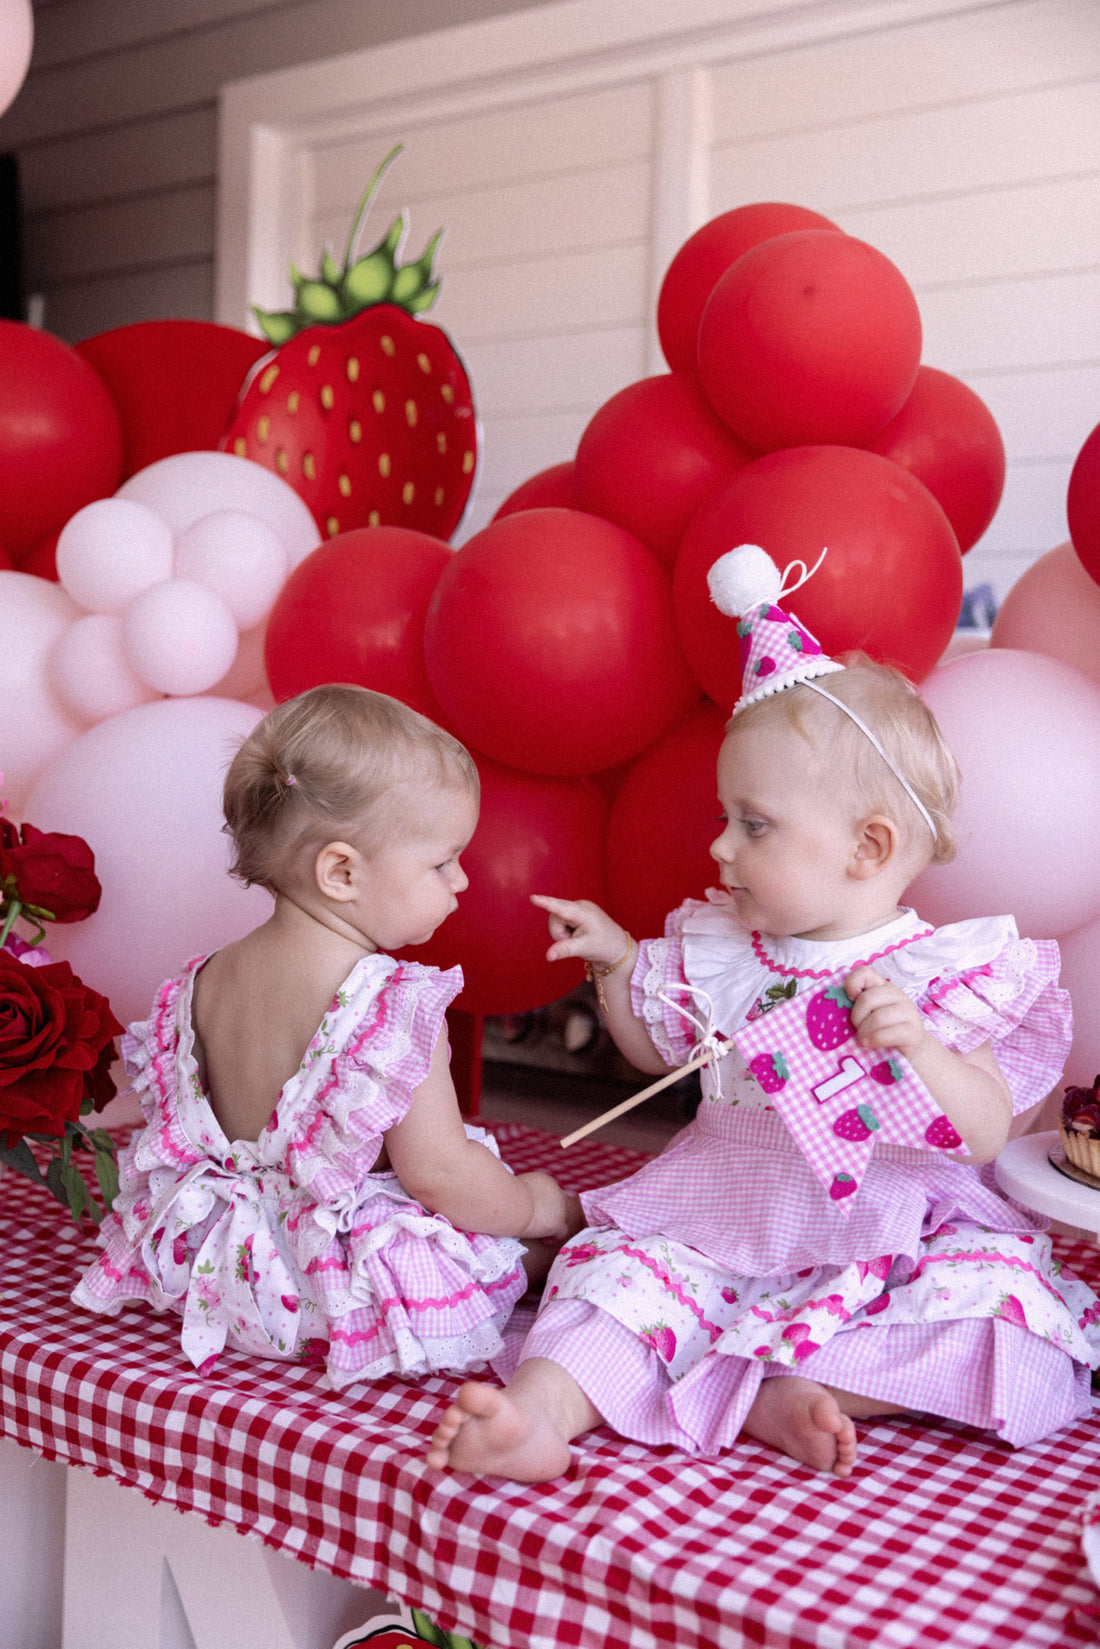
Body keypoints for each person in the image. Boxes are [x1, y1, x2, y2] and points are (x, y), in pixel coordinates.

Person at [427, 545, 1100, 1481]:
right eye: (724, 816)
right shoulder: (721, 950)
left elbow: (985, 1130)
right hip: (717, 1207)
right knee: (610, 1286)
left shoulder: (942, 969)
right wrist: (620, 966)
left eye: (754, 823)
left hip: (883, 1220)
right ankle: (538, 1416)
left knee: (996, 1311)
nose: (721, 845)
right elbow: (651, 1047)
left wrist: (923, 1050)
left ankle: (796, 1383)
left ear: (868, 847)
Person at [74, 685, 580, 1388]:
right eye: (443, 861)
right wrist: (536, 1206)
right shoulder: (390, 1004)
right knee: (533, 1255)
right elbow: (440, 1173)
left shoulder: (203, 980)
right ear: (341, 871)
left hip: (227, 1275)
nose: (463, 881)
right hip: (336, 1291)